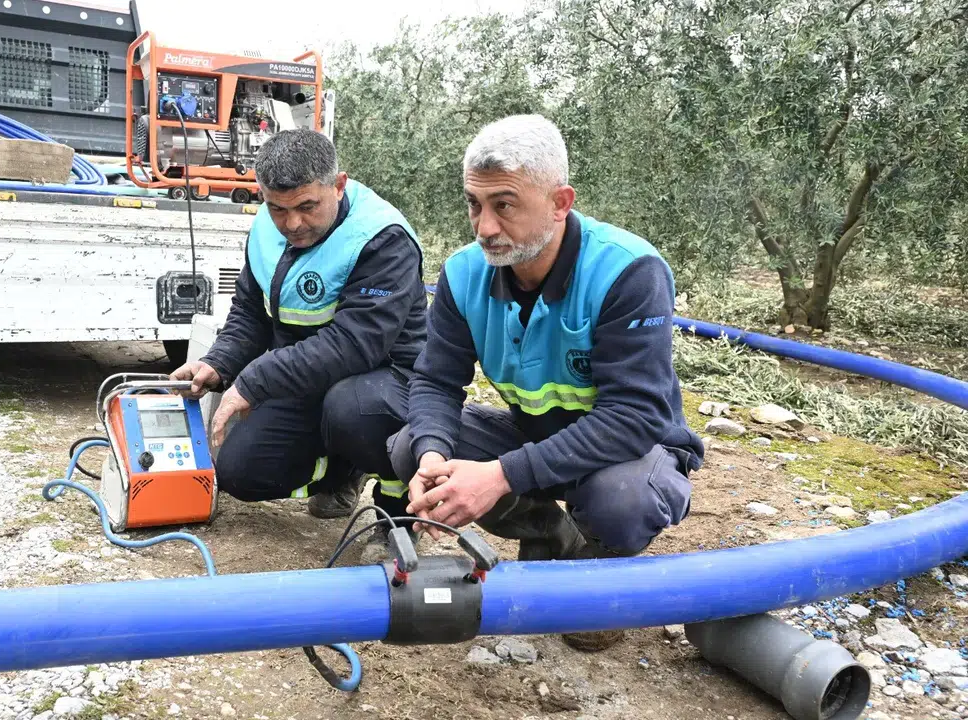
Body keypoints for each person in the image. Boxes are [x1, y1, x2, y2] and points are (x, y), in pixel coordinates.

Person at [391, 114, 705, 651]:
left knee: (622, 501)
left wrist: (500, 476)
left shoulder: (627, 272)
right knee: (407, 447)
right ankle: (551, 534)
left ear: (560, 203)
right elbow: (435, 382)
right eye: (474, 204)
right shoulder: (464, 274)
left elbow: (634, 418)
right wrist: (432, 454)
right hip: (535, 441)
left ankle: (597, 555)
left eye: (504, 205)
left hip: (627, 453)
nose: (484, 226)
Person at [172, 128, 427, 523]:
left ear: (338, 186)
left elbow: (355, 345)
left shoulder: (382, 238)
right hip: (311, 376)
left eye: (308, 206)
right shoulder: (264, 230)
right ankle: (342, 471)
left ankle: (397, 512)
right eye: (278, 209)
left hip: (387, 378)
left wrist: (256, 380)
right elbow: (251, 313)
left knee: (352, 409)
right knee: (240, 473)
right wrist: (219, 362)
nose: (292, 224)